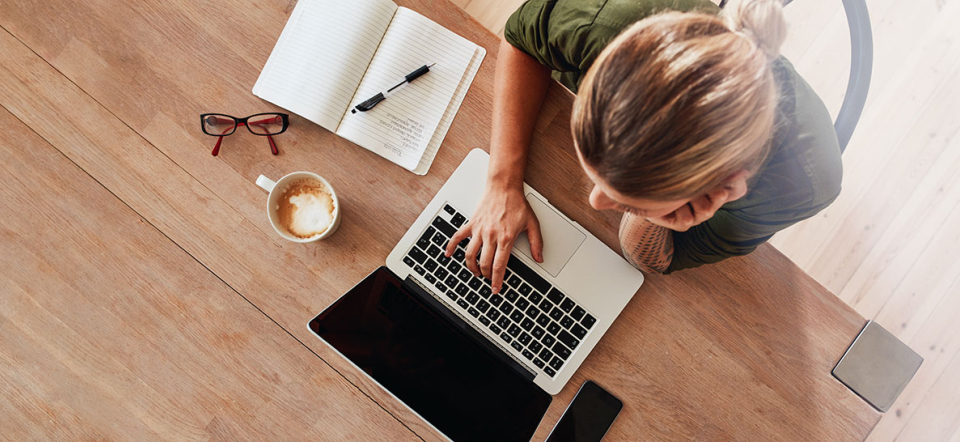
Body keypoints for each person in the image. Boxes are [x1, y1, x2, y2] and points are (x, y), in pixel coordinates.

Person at [445, 0, 843, 294]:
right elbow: (522, 39)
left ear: (726, 189)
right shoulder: (609, 17)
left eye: (629, 203)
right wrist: (501, 182)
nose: (596, 200)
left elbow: (648, 260)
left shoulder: (801, 187)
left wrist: (657, 219)